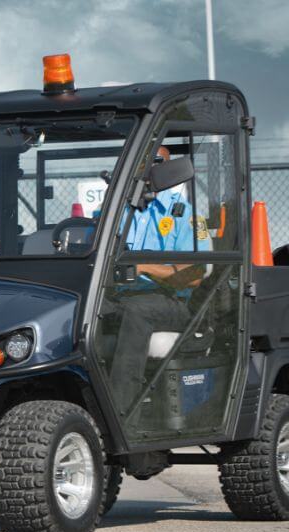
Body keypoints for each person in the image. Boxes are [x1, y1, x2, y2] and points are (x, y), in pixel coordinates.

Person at [102, 146, 209, 411]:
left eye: (150, 162)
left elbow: (194, 276)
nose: (141, 169)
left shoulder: (184, 213)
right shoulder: (119, 212)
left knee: (138, 311)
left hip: (171, 302)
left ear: (165, 169)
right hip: (119, 295)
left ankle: (121, 411)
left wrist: (144, 267)